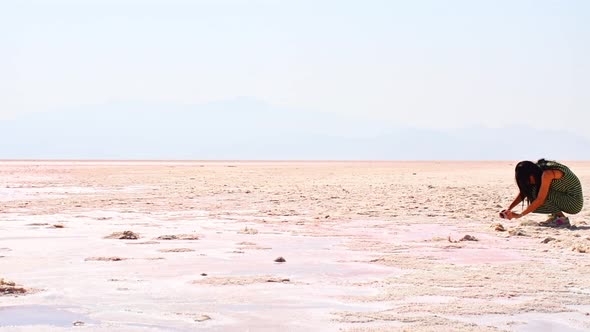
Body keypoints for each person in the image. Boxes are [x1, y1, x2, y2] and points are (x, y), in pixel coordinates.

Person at [500, 159, 584, 227]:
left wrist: (518, 215)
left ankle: (562, 220)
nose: (528, 183)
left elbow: (540, 199)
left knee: (537, 195)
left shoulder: (547, 174)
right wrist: (509, 209)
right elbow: (524, 193)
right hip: (565, 198)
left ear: (531, 175)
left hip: (574, 203)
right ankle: (556, 217)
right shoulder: (539, 171)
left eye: (527, 180)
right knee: (533, 192)